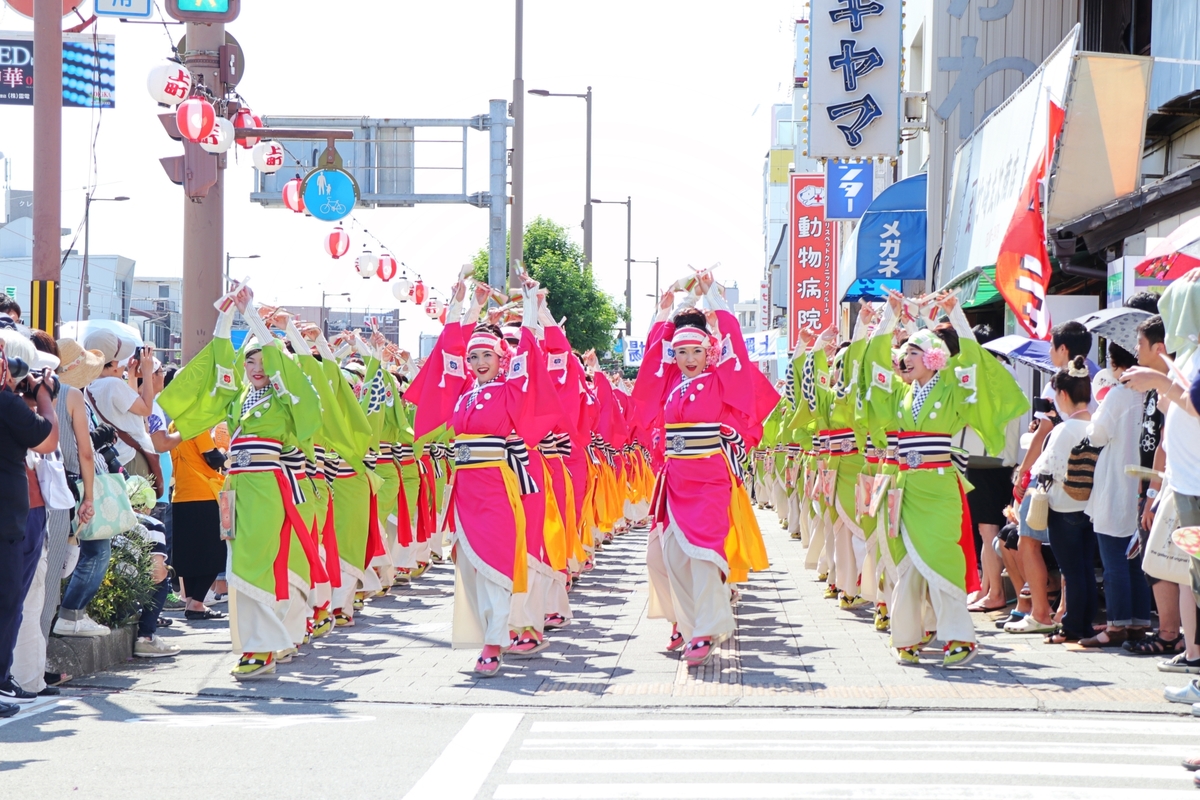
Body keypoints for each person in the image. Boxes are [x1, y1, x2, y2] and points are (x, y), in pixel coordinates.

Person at [159, 284, 322, 679]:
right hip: (236, 486)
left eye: (265, 359)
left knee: (255, 561)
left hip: (269, 484)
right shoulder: (237, 400)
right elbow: (217, 368)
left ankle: (262, 644)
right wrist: (227, 316)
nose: (258, 367)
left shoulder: (285, 397)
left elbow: (301, 389)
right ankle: (266, 640)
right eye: (250, 361)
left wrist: (255, 319)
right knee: (238, 565)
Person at [863, 289, 1028, 667]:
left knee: (942, 558)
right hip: (904, 486)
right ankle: (907, 635)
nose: (906, 359)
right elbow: (872, 364)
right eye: (905, 354)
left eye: (914, 353)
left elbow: (972, 360)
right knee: (905, 562)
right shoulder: (902, 395)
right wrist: (890, 317)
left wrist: (956, 316)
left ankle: (959, 637)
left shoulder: (952, 386)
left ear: (935, 358)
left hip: (938, 486)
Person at [406, 276, 559, 676]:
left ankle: (493, 642)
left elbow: (527, 350)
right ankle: (494, 631)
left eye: (485, 356)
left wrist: (528, 303)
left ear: (500, 358)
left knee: (496, 561)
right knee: (470, 566)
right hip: (464, 489)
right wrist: (461, 306)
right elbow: (448, 352)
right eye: (473, 358)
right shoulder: (463, 393)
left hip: (495, 484)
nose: (477, 363)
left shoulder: (511, 388)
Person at [632, 272, 776, 668]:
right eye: (681, 353)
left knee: (704, 556)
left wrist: (713, 294)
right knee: (671, 557)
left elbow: (734, 346)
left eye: (696, 350)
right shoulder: (672, 386)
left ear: (709, 352)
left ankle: (706, 629)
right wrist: (664, 310)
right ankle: (690, 623)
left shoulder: (720, 380)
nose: (689, 358)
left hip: (709, 477)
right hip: (675, 480)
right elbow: (649, 367)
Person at [1005, 321, 1094, 635]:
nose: (1049, 352)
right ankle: (1067, 614)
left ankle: (1041, 611)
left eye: (1052, 346)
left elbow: (1045, 434)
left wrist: (1024, 474)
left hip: (1055, 490)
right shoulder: (1095, 377)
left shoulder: (1059, 383)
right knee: (1080, 562)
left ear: (1063, 349)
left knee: (1031, 543)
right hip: (1088, 491)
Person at [0, 329, 59, 713]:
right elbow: (48, 438)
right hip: (6, 520)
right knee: (7, 603)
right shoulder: (6, 403)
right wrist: (44, 396)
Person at [1081, 342, 1152, 647]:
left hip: (1115, 484)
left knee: (1114, 561)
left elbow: (1096, 435)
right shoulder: (1150, 394)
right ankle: (1138, 623)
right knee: (1135, 560)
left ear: (1113, 362)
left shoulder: (1118, 395)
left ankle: (1116, 626)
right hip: (1143, 486)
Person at [1033, 356, 1097, 644]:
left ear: (1063, 394)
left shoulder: (1064, 429)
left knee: (1072, 571)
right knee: (1085, 568)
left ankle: (1072, 626)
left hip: (1063, 506)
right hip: (1090, 506)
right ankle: (1084, 623)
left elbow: (1048, 469)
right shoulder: (1096, 426)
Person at [83, 330, 160, 493]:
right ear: (113, 362)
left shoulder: (90, 387)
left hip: (116, 460)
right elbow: (146, 409)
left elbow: (132, 409)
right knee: (140, 509)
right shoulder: (113, 384)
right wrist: (147, 372)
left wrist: (132, 377)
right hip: (132, 458)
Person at [169, 428, 227, 622]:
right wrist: (225, 454)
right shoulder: (196, 425)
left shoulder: (174, 426)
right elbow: (213, 458)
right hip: (204, 494)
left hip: (181, 495)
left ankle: (193, 603)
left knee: (190, 555)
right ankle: (196, 603)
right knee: (216, 552)